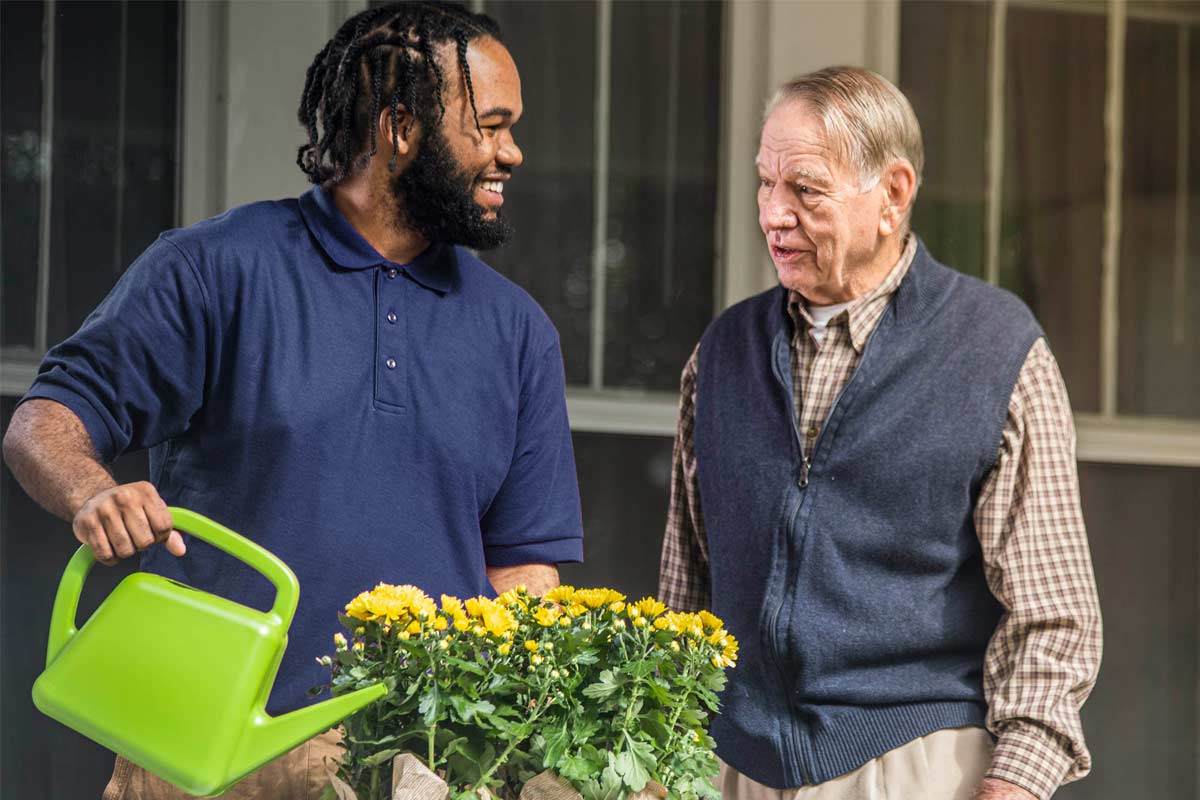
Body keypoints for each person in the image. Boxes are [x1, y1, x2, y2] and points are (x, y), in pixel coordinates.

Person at [2, 3, 583, 798]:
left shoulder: (519, 334)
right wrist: (93, 493)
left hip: (414, 770)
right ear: (401, 130)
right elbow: (44, 422)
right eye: (490, 125)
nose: (511, 152)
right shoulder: (215, 270)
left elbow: (522, 572)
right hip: (201, 756)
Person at [659, 67, 1101, 800]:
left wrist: (1015, 784)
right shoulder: (721, 353)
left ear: (892, 195)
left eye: (804, 189)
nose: (772, 212)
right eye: (765, 183)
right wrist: (663, 750)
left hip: (914, 764)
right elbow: (684, 594)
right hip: (729, 765)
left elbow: (1052, 617)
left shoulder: (995, 350)